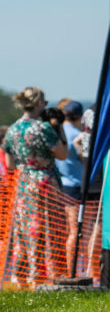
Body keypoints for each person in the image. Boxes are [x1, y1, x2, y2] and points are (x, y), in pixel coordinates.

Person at [1, 87, 68, 285]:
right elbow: (62, 154)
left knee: (26, 228)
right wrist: (59, 129)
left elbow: (10, 164)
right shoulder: (42, 128)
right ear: (39, 104)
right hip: (45, 182)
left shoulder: (12, 129)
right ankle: (53, 274)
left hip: (23, 182)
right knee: (51, 228)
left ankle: (24, 274)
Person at [55, 100, 84, 274]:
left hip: (59, 186)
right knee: (74, 231)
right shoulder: (77, 135)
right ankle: (70, 270)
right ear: (80, 117)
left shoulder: (57, 132)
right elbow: (85, 158)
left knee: (62, 230)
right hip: (74, 186)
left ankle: (62, 267)